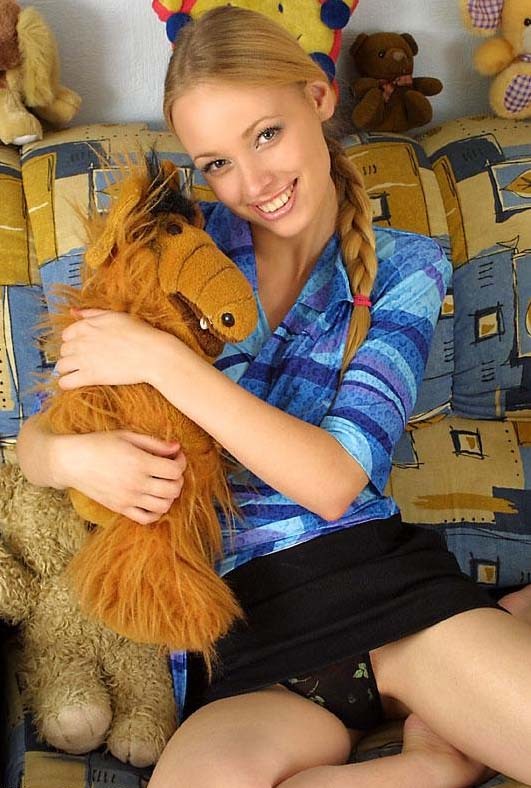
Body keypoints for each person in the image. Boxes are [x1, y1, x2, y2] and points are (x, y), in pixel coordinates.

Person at [16, 7, 531, 787]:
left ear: (318, 98)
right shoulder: (173, 255)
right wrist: (73, 459)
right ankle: (433, 764)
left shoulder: (404, 265)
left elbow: (333, 480)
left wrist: (163, 361)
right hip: (242, 644)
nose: (252, 183)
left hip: (395, 602)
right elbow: (36, 440)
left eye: (266, 135)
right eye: (217, 162)